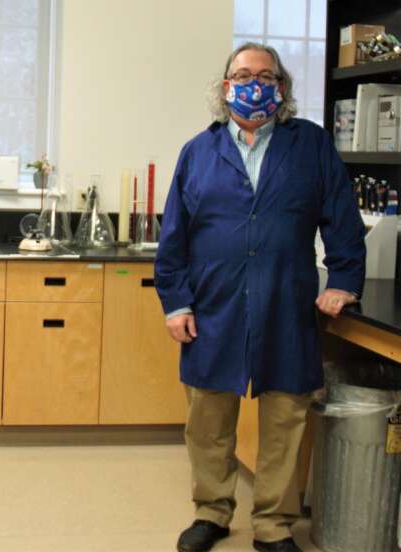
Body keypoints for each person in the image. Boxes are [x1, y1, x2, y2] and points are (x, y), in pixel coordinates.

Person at [155, 43, 365, 552]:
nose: (254, 83)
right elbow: (174, 237)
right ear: (225, 86)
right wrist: (176, 301)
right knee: (208, 416)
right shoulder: (198, 152)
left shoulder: (310, 146)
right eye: (243, 74)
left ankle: (273, 524)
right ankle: (212, 512)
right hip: (213, 304)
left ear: (282, 88)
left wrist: (342, 280)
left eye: (266, 76)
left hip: (285, 299)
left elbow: (342, 219)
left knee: (286, 414)